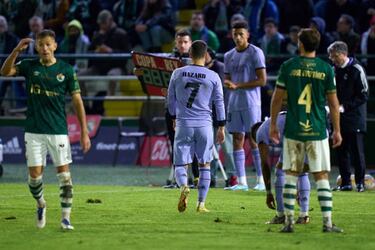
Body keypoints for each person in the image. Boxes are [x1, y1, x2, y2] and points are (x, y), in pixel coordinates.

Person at [0, 29, 91, 230]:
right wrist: (16, 51)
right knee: (34, 178)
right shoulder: (29, 65)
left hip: (58, 129)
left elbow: (77, 102)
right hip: (34, 130)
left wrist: (84, 132)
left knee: (64, 175)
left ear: (55, 46)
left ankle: (66, 218)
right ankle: (41, 204)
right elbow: (4, 72)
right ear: (36, 47)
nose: (44, 48)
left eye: (48, 44)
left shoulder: (66, 70)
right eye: (41, 45)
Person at [269, 28, 343, 233]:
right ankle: (327, 223)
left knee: (291, 174)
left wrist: (273, 125)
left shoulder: (288, 66)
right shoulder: (326, 69)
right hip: (318, 129)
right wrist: (337, 130)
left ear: (300, 44)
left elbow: (276, 98)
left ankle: (289, 222)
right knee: (321, 176)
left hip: (293, 130)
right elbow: (334, 103)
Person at [167, 40, 225, 212]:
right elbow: (219, 102)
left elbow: (170, 99)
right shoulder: (213, 76)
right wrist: (221, 125)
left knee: (180, 163)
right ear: (205, 55)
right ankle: (201, 204)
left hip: (184, 123)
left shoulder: (177, 73)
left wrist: (173, 117)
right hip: (204, 126)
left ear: (190, 54)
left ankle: (184, 186)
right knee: (205, 164)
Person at [223, 20, 266, 191]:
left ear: (248, 35)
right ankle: (241, 182)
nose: (238, 37)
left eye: (241, 34)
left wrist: (238, 85)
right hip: (234, 102)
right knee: (237, 138)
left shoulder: (256, 52)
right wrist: (226, 84)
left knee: (254, 139)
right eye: (235, 34)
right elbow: (227, 78)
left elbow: (262, 80)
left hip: (251, 103)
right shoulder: (228, 56)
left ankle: (261, 180)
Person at [251, 112, 311, 225]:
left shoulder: (260, 133)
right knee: (302, 172)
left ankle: (281, 215)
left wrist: (268, 192)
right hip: (309, 126)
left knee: (280, 171)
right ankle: (304, 215)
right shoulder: (273, 121)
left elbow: (265, 164)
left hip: (292, 131)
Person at [327, 41, 369, 192]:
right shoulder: (333, 70)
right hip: (338, 118)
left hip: (355, 118)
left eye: (334, 56)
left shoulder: (357, 69)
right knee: (341, 151)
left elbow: (364, 94)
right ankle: (345, 183)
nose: (332, 59)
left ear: (343, 54)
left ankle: (360, 183)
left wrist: (345, 106)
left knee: (357, 153)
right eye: (331, 56)